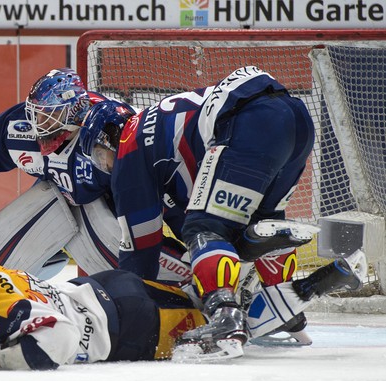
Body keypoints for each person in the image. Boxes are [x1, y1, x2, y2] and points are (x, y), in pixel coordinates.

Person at [79, 65, 316, 355]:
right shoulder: (158, 132)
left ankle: (225, 316)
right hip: (297, 120)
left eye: (100, 156)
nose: (105, 166)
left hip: (251, 122)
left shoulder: (129, 146)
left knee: (204, 228)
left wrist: (130, 300)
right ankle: (282, 302)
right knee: (261, 221)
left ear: (108, 137)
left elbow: (141, 252)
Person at [0, 68, 192, 284]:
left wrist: (194, 237)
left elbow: (158, 192)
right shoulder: (21, 126)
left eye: (50, 116)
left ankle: (192, 279)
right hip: (58, 197)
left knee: (120, 262)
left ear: (76, 112)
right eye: (36, 114)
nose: (39, 125)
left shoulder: (109, 134)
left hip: (108, 211)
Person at [0, 238, 362, 370]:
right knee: (201, 300)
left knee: (220, 327)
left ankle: (312, 286)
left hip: (133, 325)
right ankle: (261, 268)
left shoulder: (2, 305)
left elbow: (48, 347)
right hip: (108, 288)